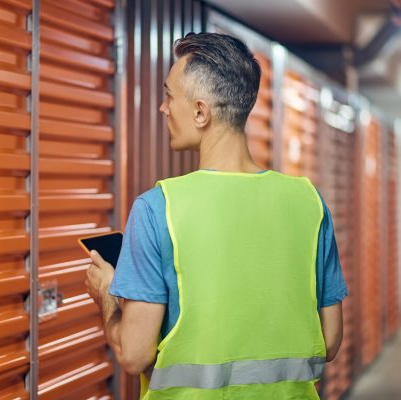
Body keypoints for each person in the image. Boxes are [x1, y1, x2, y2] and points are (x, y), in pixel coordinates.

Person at [85, 32, 347, 399]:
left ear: (200, 111)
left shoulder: (158, 208)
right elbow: (331, 340)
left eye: (168, 96)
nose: (163, 108)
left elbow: (133, 353)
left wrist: (107, 296)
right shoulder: (309, 202)